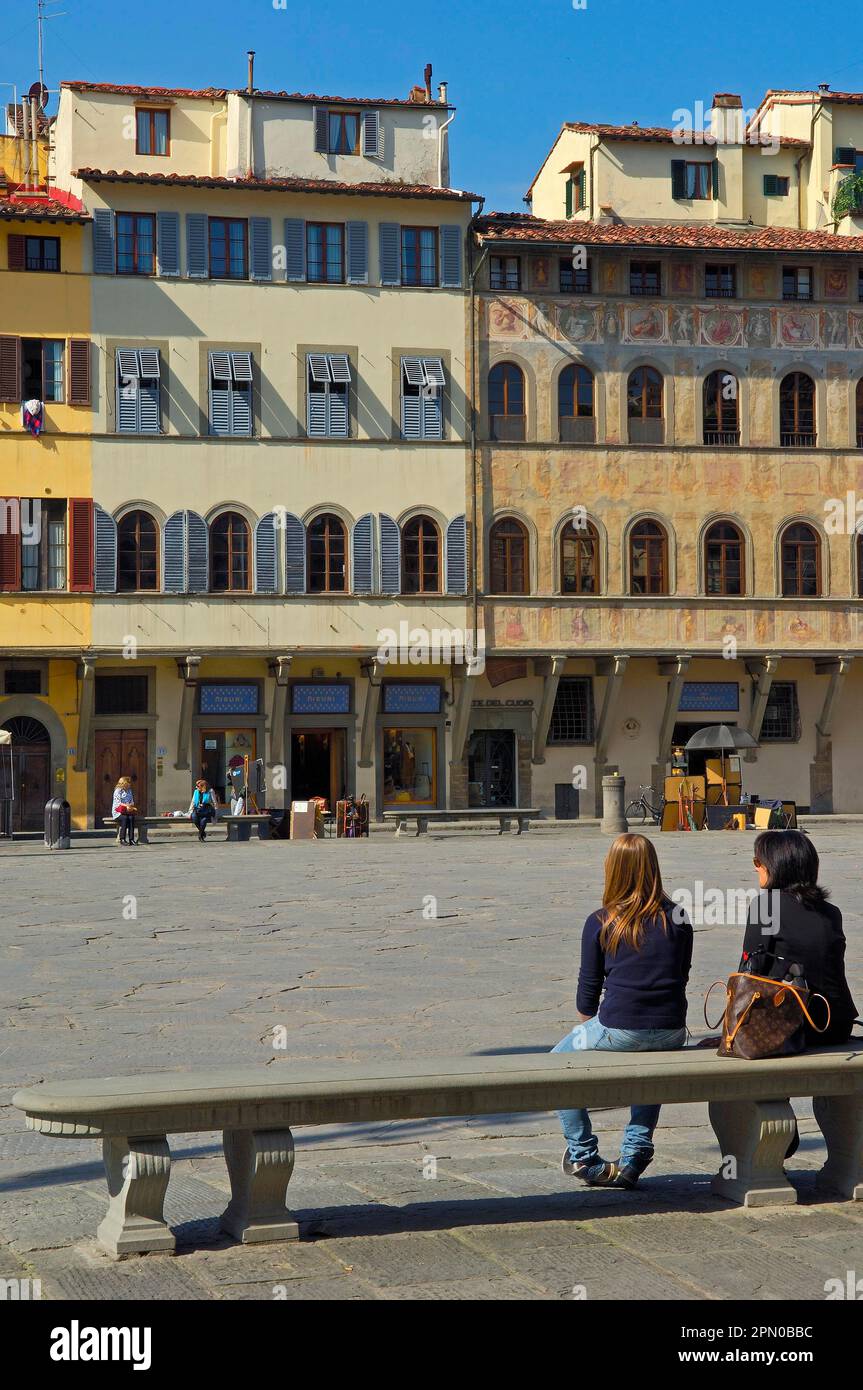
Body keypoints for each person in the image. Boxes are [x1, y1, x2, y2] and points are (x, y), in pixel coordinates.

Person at [551, 833, 692, 1190]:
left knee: (555, 1064)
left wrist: (590, 1027)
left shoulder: (600, 920)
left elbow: (587, 994)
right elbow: (682, 975)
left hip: (620, 1026)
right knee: (651, 1065)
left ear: (613, 870)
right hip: (672, 1028)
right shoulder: (679, 916)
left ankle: (583, 1154)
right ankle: (636, 1152)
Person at [741, 830, 858, 1047]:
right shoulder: (832, 912)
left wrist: (732, 1031)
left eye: (758, 861)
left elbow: (749, 974)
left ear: (777, 865)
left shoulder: (765, 906)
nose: (755, 867)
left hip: (792, 1026)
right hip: (837, 1025)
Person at [112, 775, 138, 845]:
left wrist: (130, 805)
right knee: (125, 818)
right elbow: (118, 803)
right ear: (124, 783)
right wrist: (127, 805)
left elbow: (132, 801)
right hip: (118, 811)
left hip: (127, 810)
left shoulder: (129, 791)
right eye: (128, 782)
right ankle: (122, 839)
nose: (130, 784)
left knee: (131, 818)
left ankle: (131, 839)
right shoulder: (118, 791)